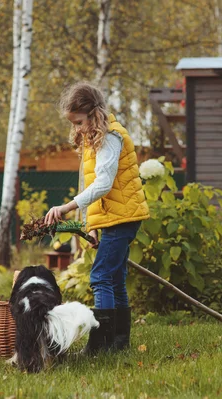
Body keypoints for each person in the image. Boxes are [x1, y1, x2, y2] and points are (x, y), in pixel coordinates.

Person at [44, 82, 150, 354]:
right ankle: (119, 341)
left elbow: (103, 184)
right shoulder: (96, 139)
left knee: (101, 276)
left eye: (79, 122)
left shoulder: (112, 137)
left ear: (93, 113)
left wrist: (66, 208)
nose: (77, 129)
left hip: (123, 217)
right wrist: (92, 227)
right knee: (114, 277)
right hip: (115, 217)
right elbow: (95, 190)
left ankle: (101, 342)